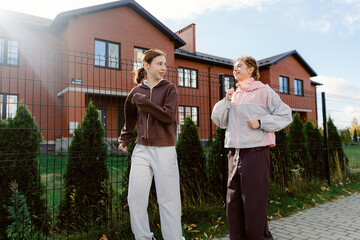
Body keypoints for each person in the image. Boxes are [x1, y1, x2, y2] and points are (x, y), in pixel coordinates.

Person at [211, 56, 293, 240]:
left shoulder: (264, 91)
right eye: (233, 67)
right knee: (233, 204)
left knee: (253, 205)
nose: (234, 69)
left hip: (256, 153)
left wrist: (262, 122)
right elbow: (218, 121)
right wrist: (226, 101)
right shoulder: (234, 94)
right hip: (234, 154)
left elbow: (285, 115)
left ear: (251, 69)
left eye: (239, 66)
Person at [118, 49, 184, 240]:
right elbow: (129, 119)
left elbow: (168, 116)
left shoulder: (170, 88)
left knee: (168, 199)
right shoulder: (136, 92)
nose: (164, 68)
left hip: (165, 149)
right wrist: (125, 139)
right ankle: (144, 237)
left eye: (165, 64)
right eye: (159, 63)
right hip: (141, 149)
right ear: (146, 65)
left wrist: (144, 103)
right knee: (135, 198)